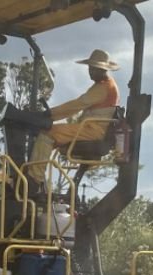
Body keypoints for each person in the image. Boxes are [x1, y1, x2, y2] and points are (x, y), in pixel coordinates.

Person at [26, 48, 121, 190]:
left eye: (93, 68)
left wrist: (50, 114)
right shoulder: (104, 85)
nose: (90, 71)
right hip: (91, 129)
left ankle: (33, 181)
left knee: (48, 133)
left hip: (93, 131)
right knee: (53, 135)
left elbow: (78, 105)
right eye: (89, 68)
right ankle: (36, 178)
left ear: (102, 69)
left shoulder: (103, 87)